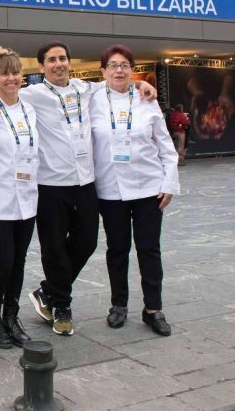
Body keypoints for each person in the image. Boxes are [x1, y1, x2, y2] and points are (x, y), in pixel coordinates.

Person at [0, 41, 156, 336]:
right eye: (52, 60)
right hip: (49, 185)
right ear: (41, 68)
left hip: (85, 182)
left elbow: (118, 80)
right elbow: (1, 89)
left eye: (63, 58)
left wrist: (141, 85)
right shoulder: (30, 94)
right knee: (54, 249)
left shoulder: (87, 89)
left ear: (70, 62)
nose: (58, 64)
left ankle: (48, 291)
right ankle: (61, 305)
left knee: (87, 242)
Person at [90, 44, 179, 336]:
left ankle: (153, 309)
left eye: (125, 65)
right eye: (113, 65)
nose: (119, 70)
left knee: (149, 249)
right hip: (110, 188)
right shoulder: (91, 98)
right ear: (102, 71)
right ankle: (119, 305)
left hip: (148, 187)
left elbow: (166, 146)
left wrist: (169, 183)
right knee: (117, 249)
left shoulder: (146, 100)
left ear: (132, 69)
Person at [0, 46, 39, 349]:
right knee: (4, 261)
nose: (11, 78)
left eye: (15, 73)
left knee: (20, 262)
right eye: (5, 74)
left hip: (27, 199)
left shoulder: (29, 108)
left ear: (22, 76)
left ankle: (11, 317)